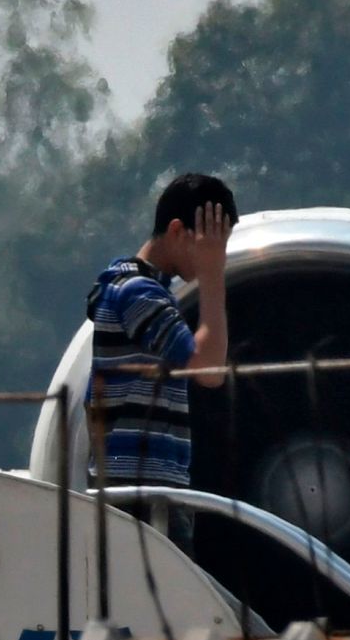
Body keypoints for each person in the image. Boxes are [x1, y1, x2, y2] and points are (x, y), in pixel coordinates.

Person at [84, 173, 238, 549]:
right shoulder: (139, 293)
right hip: (141, 491)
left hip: (143, 483)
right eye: (209, 240)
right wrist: (213, 275)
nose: (216, 251)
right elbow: (208, 369)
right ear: (177, 230)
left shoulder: (131, 288)